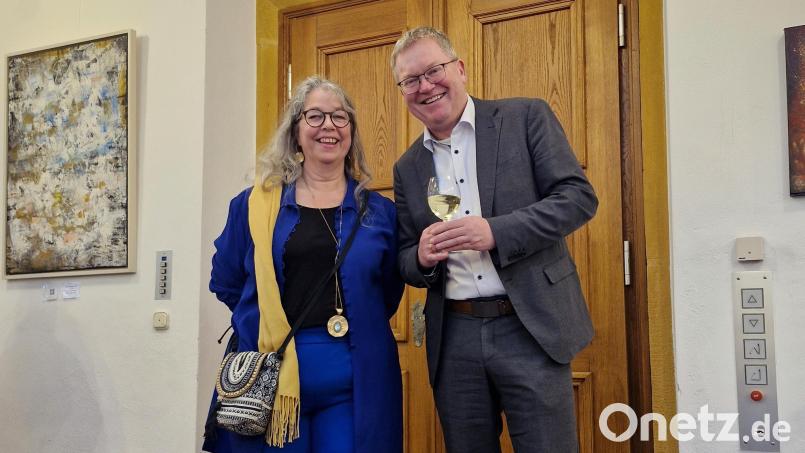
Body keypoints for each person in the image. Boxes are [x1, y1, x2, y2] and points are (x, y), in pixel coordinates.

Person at [391, 27, 599, 453]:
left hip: (531, 327)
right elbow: (404, 257)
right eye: (411, 80)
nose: (425, 87)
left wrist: (496, 231)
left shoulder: (525, 117)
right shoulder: (407, 167)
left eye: (433, 71)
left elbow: (578, 198)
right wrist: (423, 258)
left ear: (460, 68)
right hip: (455, 338)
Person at [203, 76, 403, 453]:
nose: (328, 126)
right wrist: (265, 320)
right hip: (271, 384)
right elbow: (227, 282)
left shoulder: (380, 213)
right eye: (315, 116)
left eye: (339, 117)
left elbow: (387, 290)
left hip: (356, 388)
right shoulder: (252, 206)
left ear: (351, 132)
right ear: (295, 132)